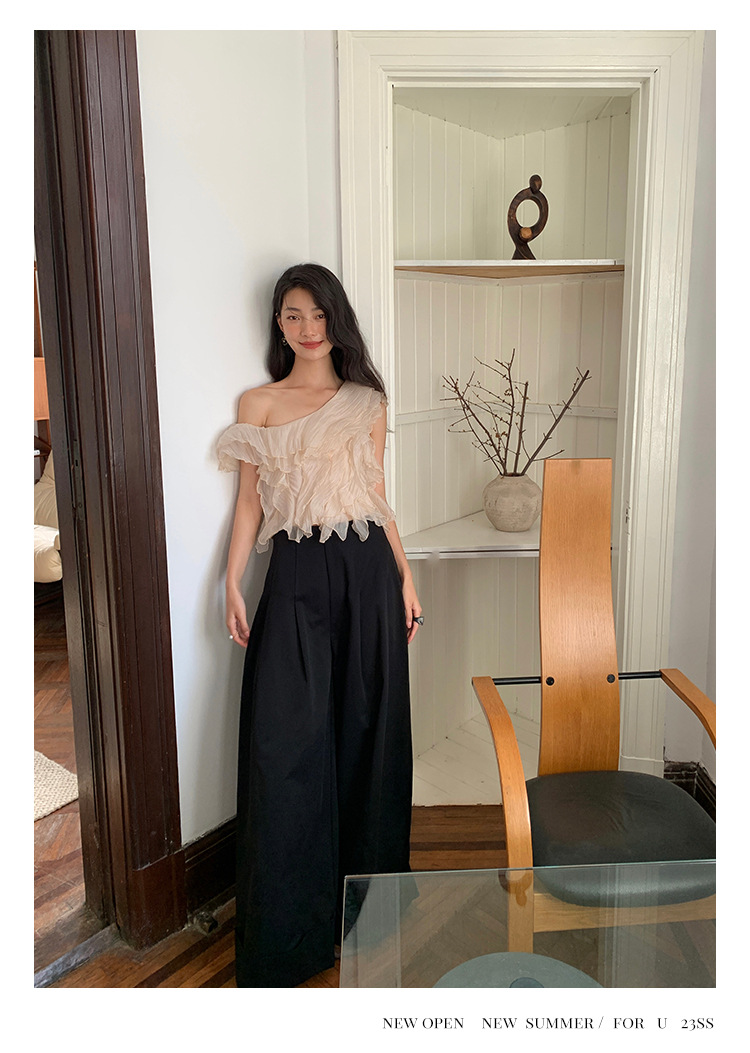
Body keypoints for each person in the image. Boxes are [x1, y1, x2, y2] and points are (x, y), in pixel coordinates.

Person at [217, 262, 422, 988]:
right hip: (296, 573)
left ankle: (366, 914)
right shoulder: (259, 403)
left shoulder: (367, 401)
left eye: (319, 314)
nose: (308, 329)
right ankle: (289, 934)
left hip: (368, 571)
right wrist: (232, 581)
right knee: (286, 745)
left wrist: (405, 575)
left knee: (368, 734)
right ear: (278, 324)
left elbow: (376, 492)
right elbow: (250, 503)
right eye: (293, 315)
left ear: (338, 319)